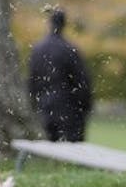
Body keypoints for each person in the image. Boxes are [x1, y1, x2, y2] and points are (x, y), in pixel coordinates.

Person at [27, 9, 92, 142]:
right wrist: (85, 105)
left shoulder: (37, 50)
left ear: (49, 23)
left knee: (49, 141)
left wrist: (34, 101)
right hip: (68, 106)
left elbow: (32, 80)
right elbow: (81, 81)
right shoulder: (69, 49)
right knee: (73, 144)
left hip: (44, 105)